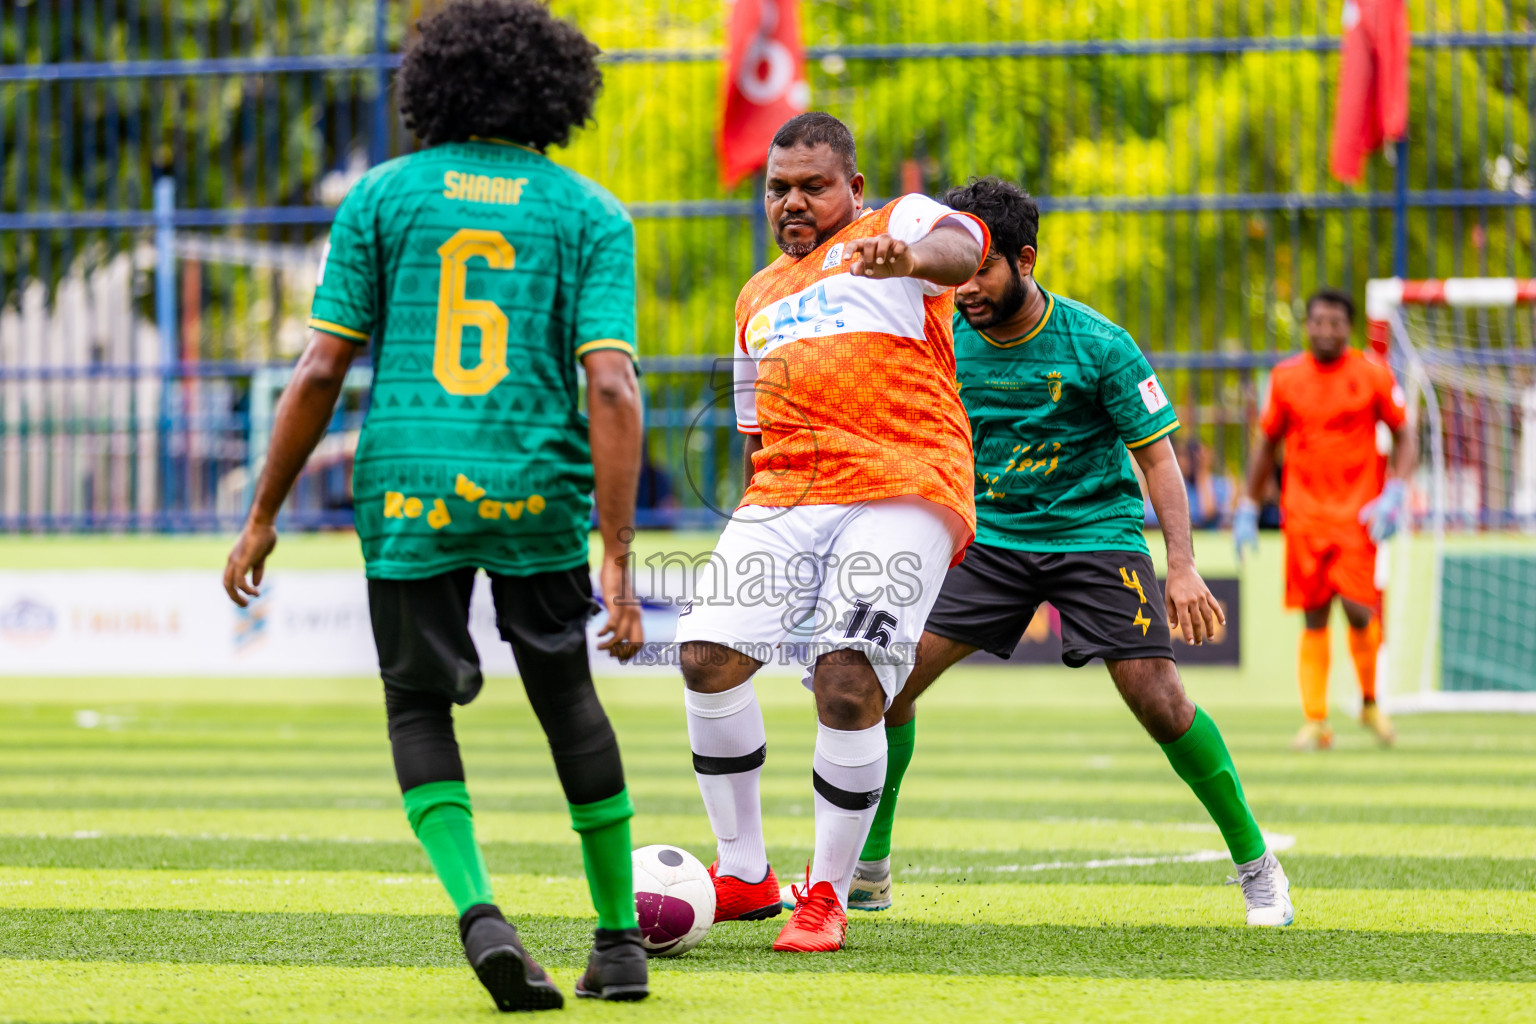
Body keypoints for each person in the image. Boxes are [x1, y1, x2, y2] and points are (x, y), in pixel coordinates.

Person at [222, 1, 648, 1008]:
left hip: (410, 481)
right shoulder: (589, 213)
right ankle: (620, 941)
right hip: (533, 483)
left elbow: (322, 365)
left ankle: (480, 913)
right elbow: (614, 387)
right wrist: (619, 554)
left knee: (416, 704)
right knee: (567, 696)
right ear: (556, 90)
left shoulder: (381, 198)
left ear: (433, 84)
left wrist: (262, 512)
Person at [824, 177, 1295, 928]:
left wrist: (1180, 565)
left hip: (1094, 537)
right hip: (990, 541)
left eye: (982, 268)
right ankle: (870, 870)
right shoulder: (941, 338)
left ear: (1026, 260)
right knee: (884, 684)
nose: (967, 286)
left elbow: (1159, 458)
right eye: (958, 268)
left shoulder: (1099, 344)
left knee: (1160, 701)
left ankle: (1256, 865)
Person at [674, 112, 987, 953]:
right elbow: (754, 433)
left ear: (853, 185)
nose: (793, 202)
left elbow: (964, 245)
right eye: (779, 188)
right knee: (705, 654)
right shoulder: (755, 297)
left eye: (814, 185)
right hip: (784, 493)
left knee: (847, 683)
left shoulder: (899, 226)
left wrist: (914, 259)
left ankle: (828, 895)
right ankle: (743, 874)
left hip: (906, 482)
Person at [1235, 287, 1414, 751]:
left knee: (1359, 609)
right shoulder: (1286, 378)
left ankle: (1371, 703)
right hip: (1305, 518)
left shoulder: (1372, 374)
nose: (1326, 330)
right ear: (1307, 325)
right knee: (1314, 617)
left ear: (1347, 328)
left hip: (1359, 516)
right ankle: (1316, 720)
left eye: (1336, 322)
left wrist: (1397, 488)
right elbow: (1265, 445)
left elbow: (1404, 433)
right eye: (1318, 321)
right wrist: (1248, 506)